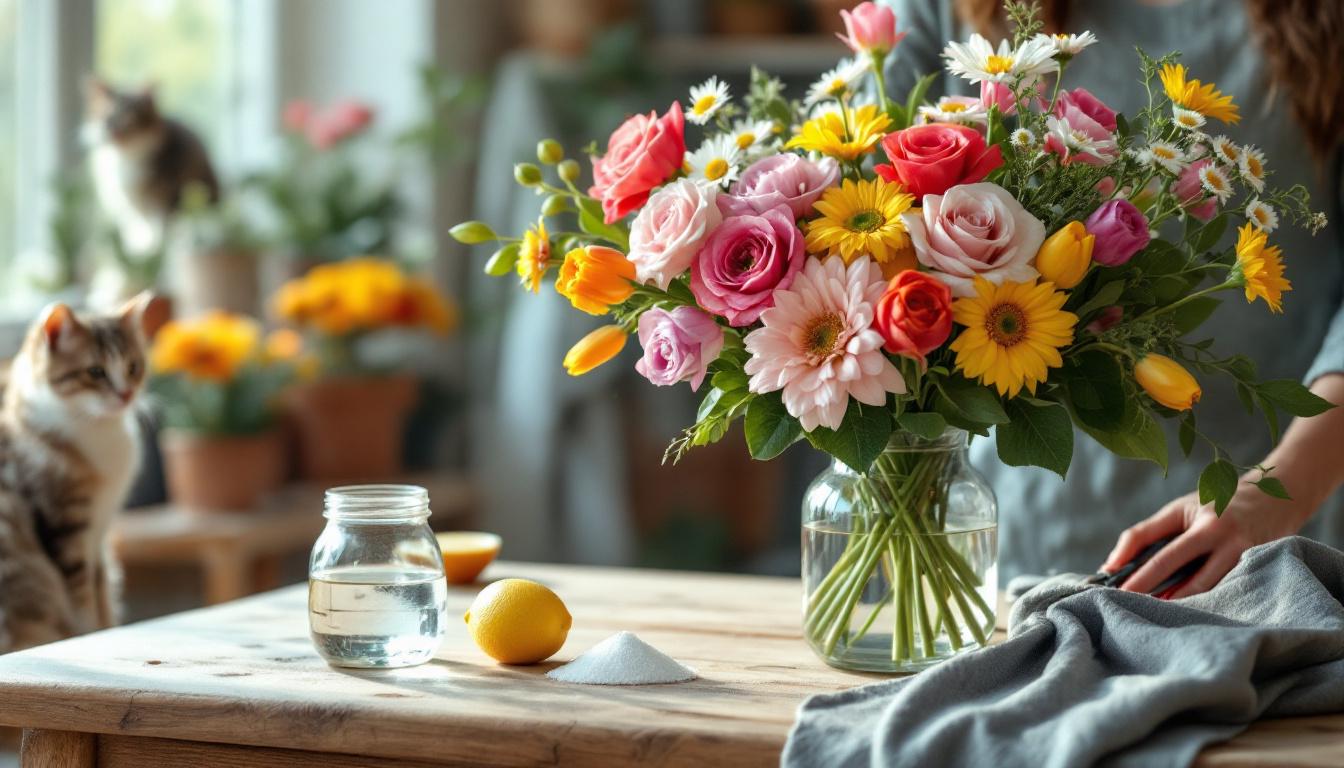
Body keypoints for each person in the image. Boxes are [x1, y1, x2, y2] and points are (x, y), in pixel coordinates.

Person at [880, 0, 1344, 595]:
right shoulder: (944, 10)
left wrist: (1274, 496)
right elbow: (856, 214)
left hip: (1268, 538)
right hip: (1000, 533)